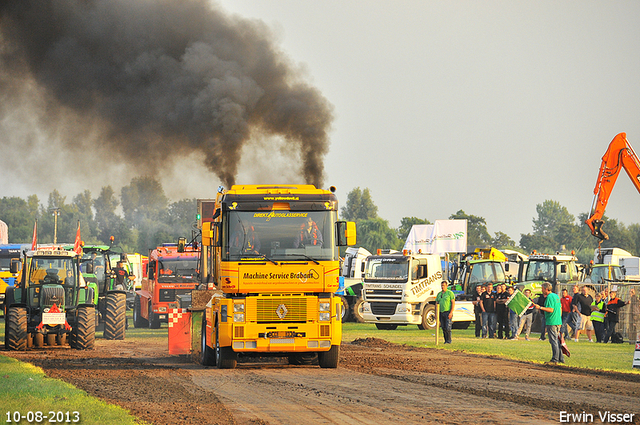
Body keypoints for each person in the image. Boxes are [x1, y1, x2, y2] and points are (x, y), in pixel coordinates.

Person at [533, 282, 564, 364]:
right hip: (557, 321)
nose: (541, 290)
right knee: (557, 340)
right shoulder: (556, 296)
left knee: (553, 340)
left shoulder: (549, 297)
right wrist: (559, 319)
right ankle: (561, 358)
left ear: (546, 289)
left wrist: (540, 307)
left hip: (552, 321)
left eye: (542, 288)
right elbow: (560, 308)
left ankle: (555, 359)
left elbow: (551, 309)